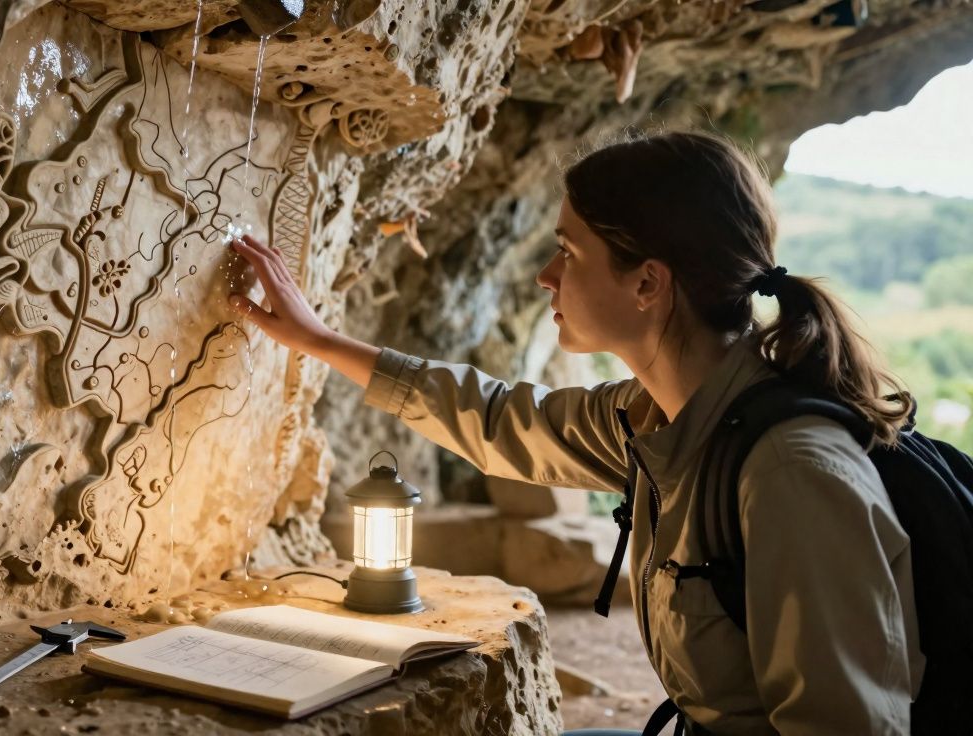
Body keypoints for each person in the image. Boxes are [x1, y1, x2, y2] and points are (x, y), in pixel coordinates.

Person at [225, 131, 923, 735]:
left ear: (648, 284)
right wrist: (320, 341)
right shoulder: (659, 416)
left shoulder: (792, 475)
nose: (545, 276)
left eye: (569, 251)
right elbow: (501, 421)